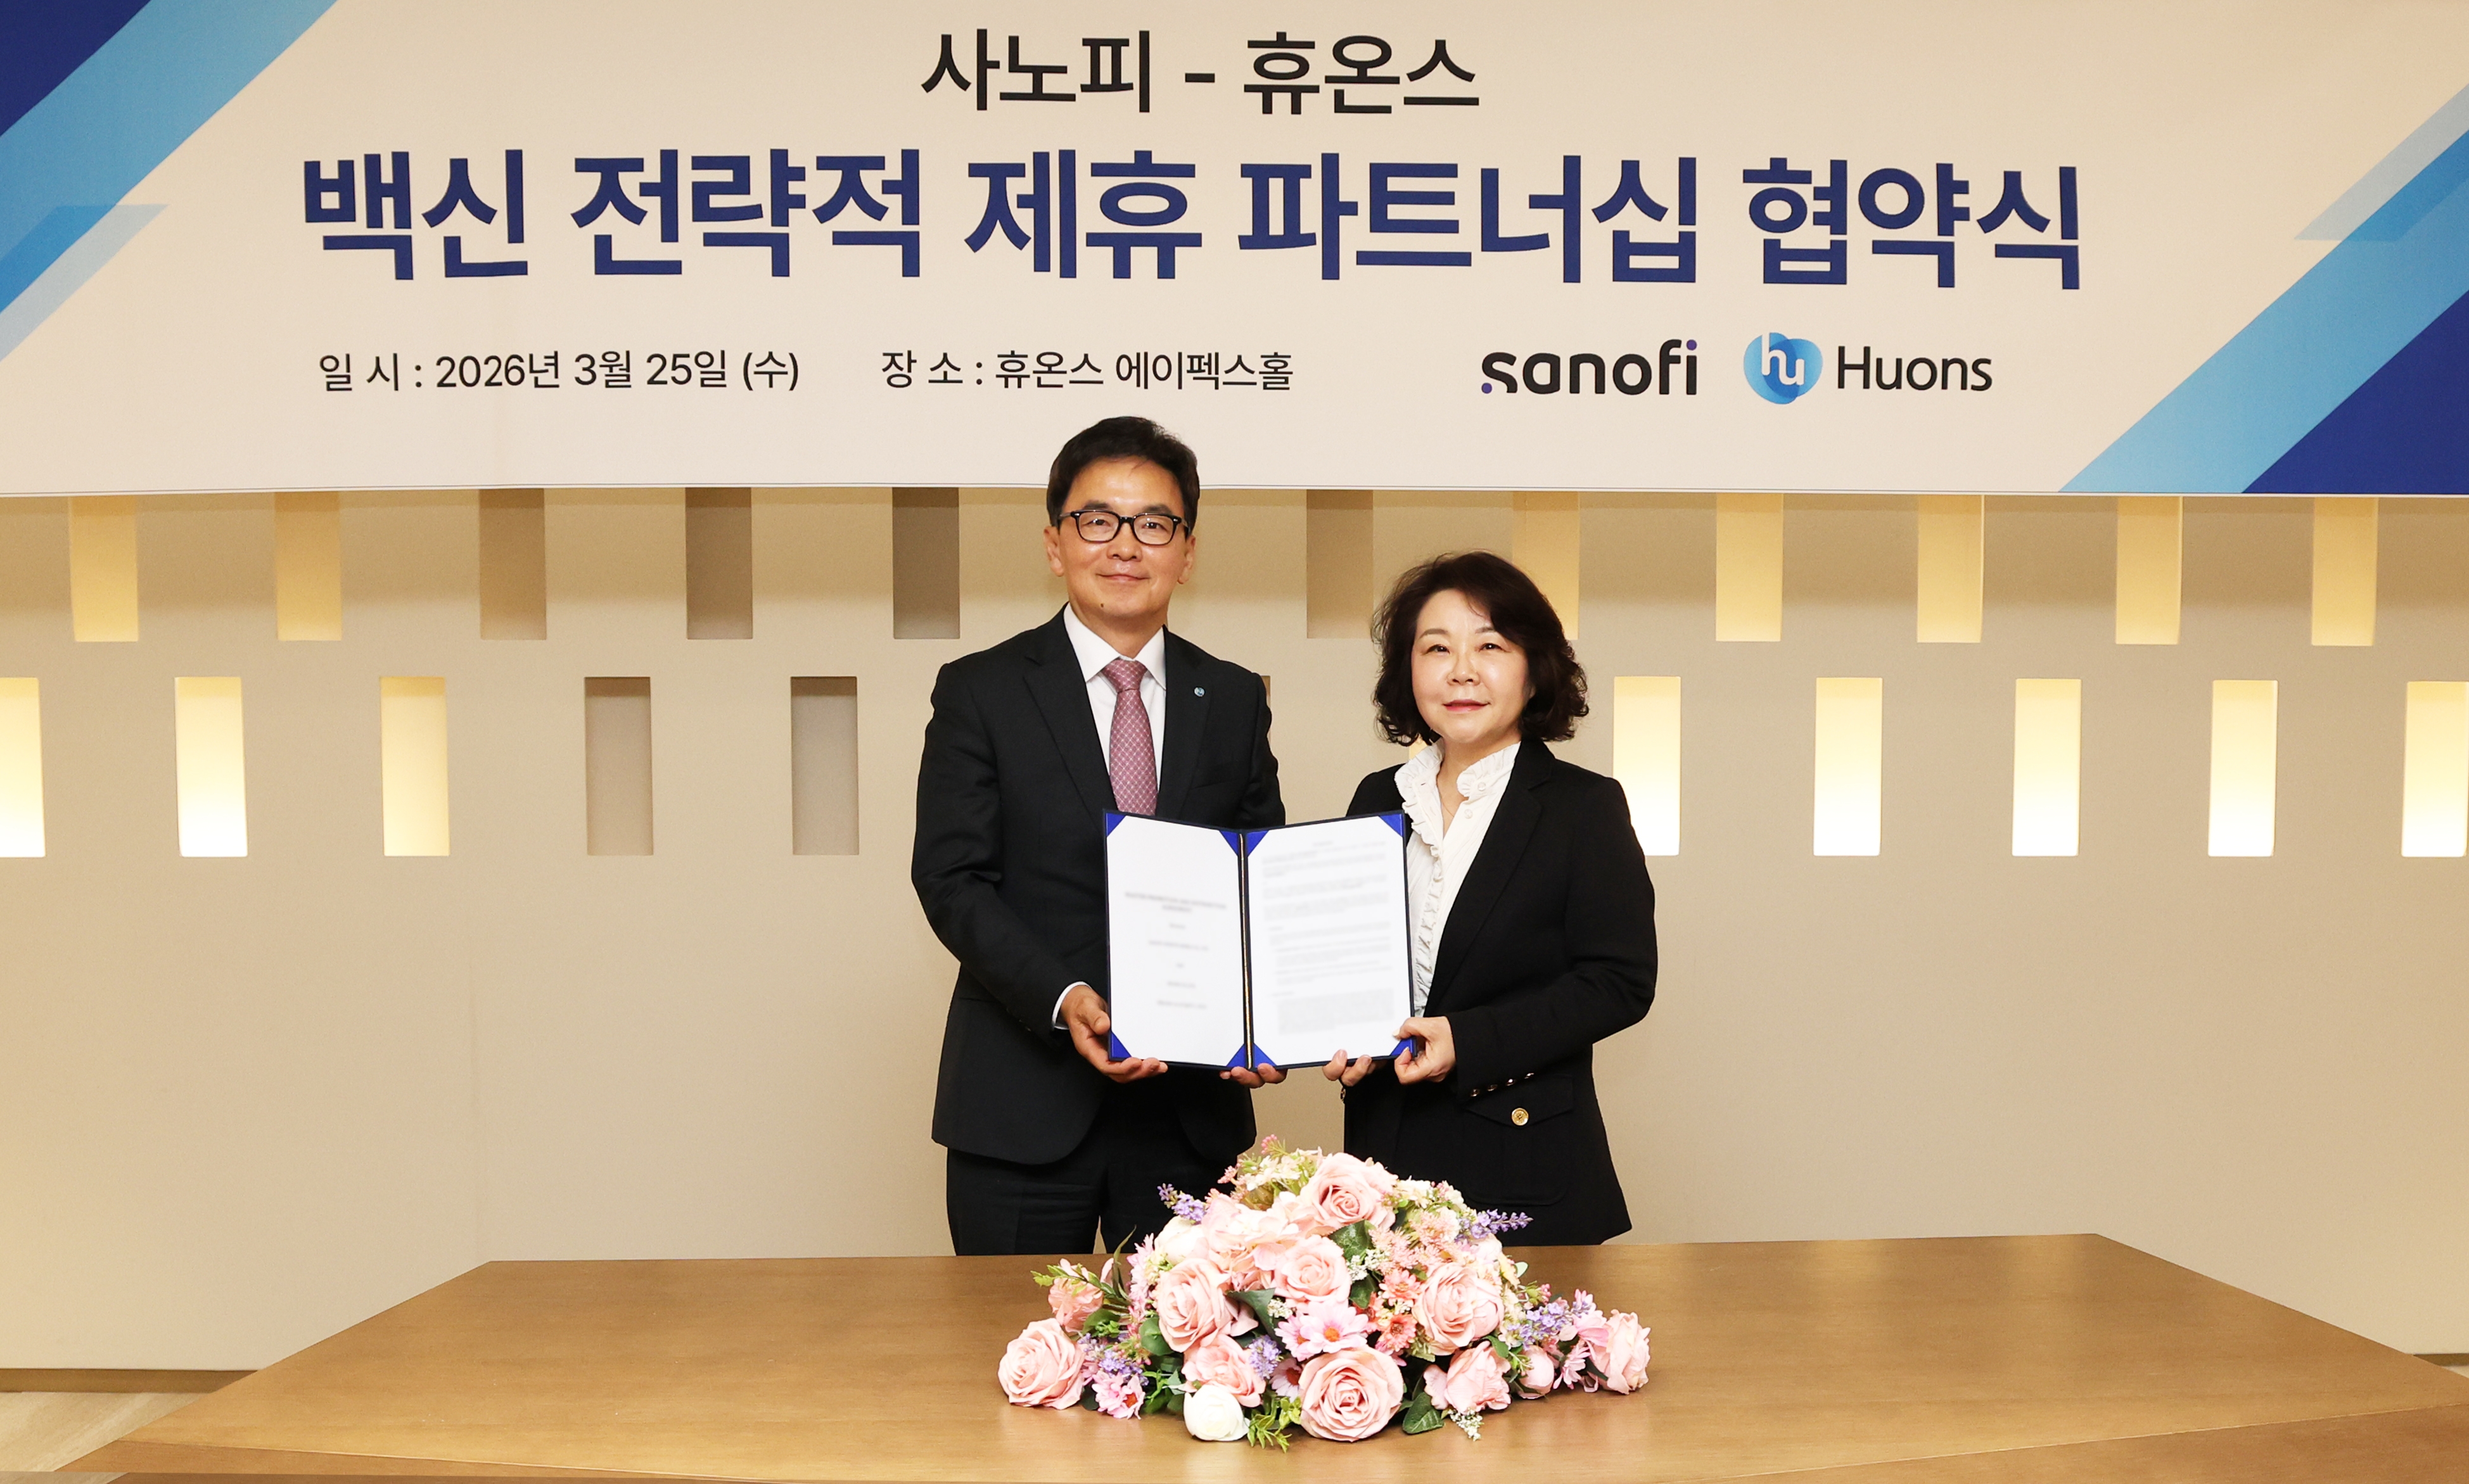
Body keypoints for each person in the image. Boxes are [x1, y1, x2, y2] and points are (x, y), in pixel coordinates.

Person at [914, 416, 1286, 1257]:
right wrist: (1066, 997)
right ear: (1055, 543)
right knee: (1003, 1331)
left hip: (1189, 1111)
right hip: (1022, 1100)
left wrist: (1263, 1016)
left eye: (1153, 523)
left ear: (1187, 551)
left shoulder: (1232, 697)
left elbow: (1257, 879)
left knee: (1194, 1337)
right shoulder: (981, 690)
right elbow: (952, 878)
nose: (1124, 544)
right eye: (1097, 520)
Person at [1323, 551, 1657, 1245]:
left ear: (1534, 669)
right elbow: (1351, 959)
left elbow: (1618, 982)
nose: (1461, 671)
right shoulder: (1377, 797)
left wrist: (1467, 1041)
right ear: (1407, 670)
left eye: (1491, 646)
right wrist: (1340, 1031)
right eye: (1436, 648)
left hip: (1524, 1166)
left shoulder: (1583, 807)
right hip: (1381, 1171)